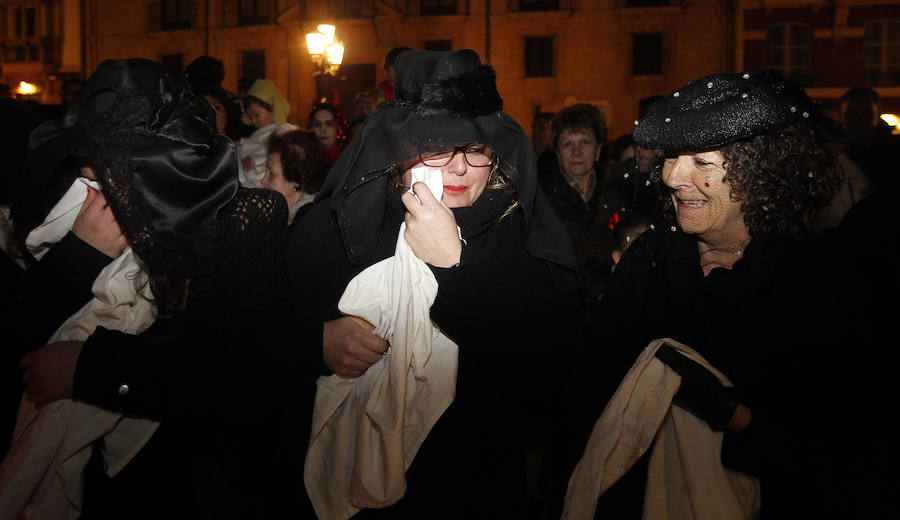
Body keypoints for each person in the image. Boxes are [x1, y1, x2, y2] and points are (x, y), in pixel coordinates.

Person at [547, 69, 865, 518]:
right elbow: (588, 395)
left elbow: (832, 446)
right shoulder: (652, 259)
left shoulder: (811, 281)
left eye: (702, 162)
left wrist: (735, 417)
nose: (674, 176)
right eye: (673, 157)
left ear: (762, 169)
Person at [286, 49, 578, 518]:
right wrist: (315, 343)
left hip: (474, 487)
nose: (460, 168)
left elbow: (549, 369)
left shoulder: (522, 230)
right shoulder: (340, 226)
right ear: (398, 151)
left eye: (477, 149)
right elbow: (250, 343)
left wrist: (457, 264)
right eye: (438, 147)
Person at [0, 58, 296, 519]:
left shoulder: (237, 224)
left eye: (113, 167)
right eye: (87, 163)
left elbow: (241, 377)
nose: (93, 187)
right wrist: (78, 257)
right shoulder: (66, 213)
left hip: (184, 484)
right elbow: (23, 335)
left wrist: (92, 370)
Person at [538, 103, 614, 307]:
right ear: (557, 152)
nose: (576, 152)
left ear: (598, 149)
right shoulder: (540, 198)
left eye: (585, 142)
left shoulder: (616, 191)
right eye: (567, 144)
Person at [237, 78, 297, 188]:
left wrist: (254, 159)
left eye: (256, 115)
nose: (253, 121)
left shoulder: (283, 129)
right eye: (250, 117)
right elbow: (254, 143)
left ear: (272, 108)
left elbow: (277, 149)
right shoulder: (262, 131)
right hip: (249, 180)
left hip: (264, 181)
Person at [262, 129, 330, 225]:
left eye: (272, 174)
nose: (263, 180)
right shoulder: (280, 213)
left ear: (296, 181)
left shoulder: (309, 222)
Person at [307, 102, 346, 166]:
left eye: (329, 124)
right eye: (317, 125)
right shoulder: (303, 160)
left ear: (337, 127)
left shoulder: (347, 159)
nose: (323, 130)